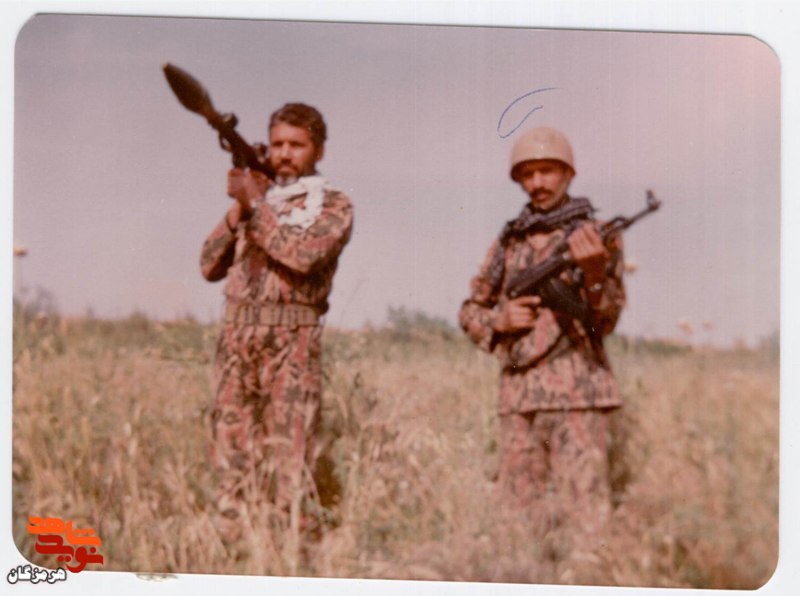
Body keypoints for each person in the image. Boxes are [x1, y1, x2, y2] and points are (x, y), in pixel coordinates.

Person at [459, 126, 625, 549]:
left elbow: (605, 322)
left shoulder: (597, 236)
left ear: (568, 173)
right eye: (528, 174)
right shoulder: (509, 242)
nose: (538, 183)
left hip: (579, 395)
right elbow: (470, 310)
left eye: (548, 171)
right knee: (517, 526)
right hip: (519, 398)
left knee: (586, 522)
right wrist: (498, 321)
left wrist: (593, 276)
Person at [200, 103, 353, 542]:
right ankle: (234, 548)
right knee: (232, 455)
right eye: (278, 144)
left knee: (290, 458)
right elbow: (208, 265)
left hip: (293, 344)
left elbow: (304, 256)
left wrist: (255, 204)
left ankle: (290, 554)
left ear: (318, 150)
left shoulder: (333, 204)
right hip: (236, 343)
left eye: (297, 145)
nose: (285, 154)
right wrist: (238, 210)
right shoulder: (257, 202)